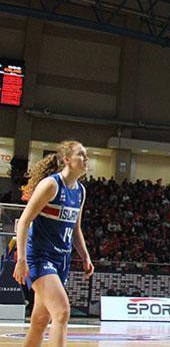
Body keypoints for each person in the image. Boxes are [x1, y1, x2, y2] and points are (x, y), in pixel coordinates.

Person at [12, 140, 95, 347]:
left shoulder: (80, 191)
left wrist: (85, 256)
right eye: (81, 155)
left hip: (62, 260)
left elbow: (76, 229)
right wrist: (21, 259)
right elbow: (23, 222)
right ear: (67, 159)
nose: (86, 159)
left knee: (40, 321)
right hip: (40, 257)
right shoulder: (51, 185)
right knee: (62, 311)